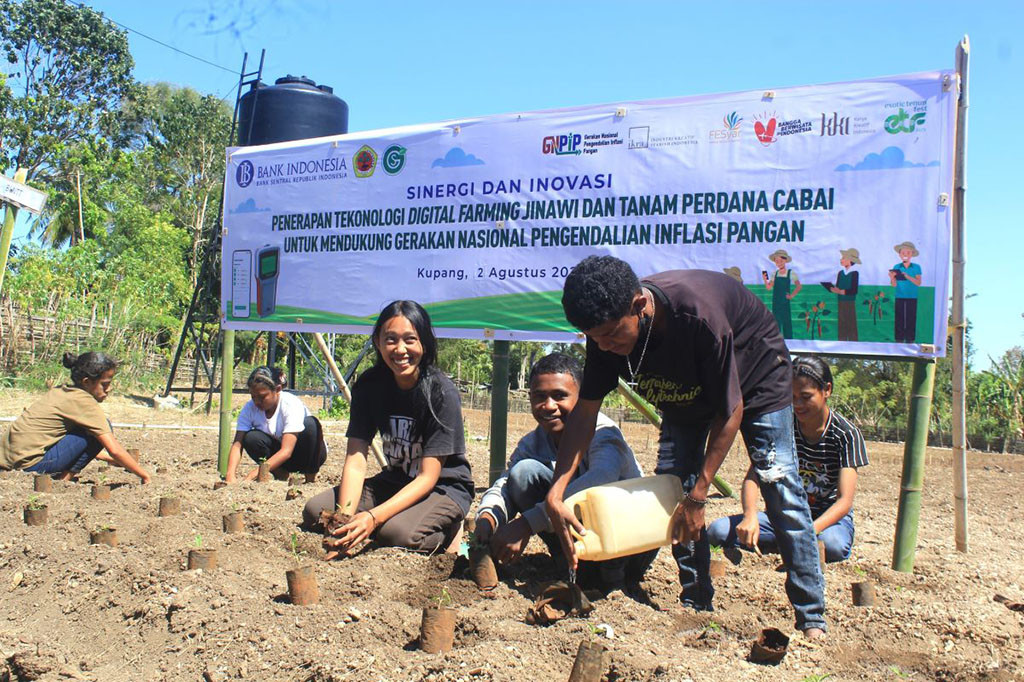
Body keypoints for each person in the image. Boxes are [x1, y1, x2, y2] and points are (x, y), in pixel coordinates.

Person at [546, 256, 826, 637]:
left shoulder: (699, 316)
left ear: (639, 306)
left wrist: (700, 495)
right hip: (685, 386)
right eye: (594, 338)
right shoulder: (604, 335)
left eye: (612, 335)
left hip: (754, 372)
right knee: (673, 489)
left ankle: (811, 618)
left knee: (779, 485)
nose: (604, 346)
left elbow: (731, 410)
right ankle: (696, 602)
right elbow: (585, 414)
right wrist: (557, 490)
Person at [302, 300, 473, 557]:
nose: (400, 349)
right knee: (317, 511)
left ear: (424, 343)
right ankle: (383, 518)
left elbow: (428, 477)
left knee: (394, 534)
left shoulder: (441, 393)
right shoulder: (370, 385)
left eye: (410, 339)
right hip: (395, 480)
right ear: (378, 343)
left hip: (442, 488)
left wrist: (373, 517)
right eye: (390, 339)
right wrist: (344, 519)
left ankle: (449, 528)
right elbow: (356, 459)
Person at [473, 352, 656, 592]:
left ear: (583, 399)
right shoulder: (534, 442)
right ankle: (569, 561)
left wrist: (527, 524)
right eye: (539, 396)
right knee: (523, 473)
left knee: (600, 499)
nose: (549, 406)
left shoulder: (604, 434)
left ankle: (610, 575)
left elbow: (600, 481)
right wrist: (488, 517)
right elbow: (506, 484)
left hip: (625, 544)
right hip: (578, 538)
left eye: (559, 396)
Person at [707, 356, 868, 563]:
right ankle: (784, 543)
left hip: (827, 523)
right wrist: (750, 516)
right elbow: (753, 478)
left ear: (826, 390)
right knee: (717, 532)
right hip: (783, 516)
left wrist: (808, 532)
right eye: (792, 397)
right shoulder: (783, 427)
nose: (797, 404)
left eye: (805, 396)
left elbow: (844, 501)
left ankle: (789, 543)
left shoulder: (846, 435)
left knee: (833, 545)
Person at [0, 352, 151, 483]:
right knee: (103, 427)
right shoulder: (84, 402)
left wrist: (109, 460)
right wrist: (144, 475)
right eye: (104, 384)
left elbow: (67, 441)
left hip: (8, 462)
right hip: (30, 466)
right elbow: (114, 449)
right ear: (87, 382)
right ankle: (63, 480)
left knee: (89, 430)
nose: (109, 389)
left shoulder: (62, 391)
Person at [225, 366, 327, 483]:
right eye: (253, 397)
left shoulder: (290, 404)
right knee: (250, 438)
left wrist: (256, 473)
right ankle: (281, 474)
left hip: (306, 454)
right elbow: (238, 444)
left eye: (262, 397)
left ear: (277, 389)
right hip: (282, 460)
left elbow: (287, 451)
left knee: (310, 424)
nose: (257, 402)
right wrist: (230, 475)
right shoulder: (249, 408)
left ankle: (310, 477)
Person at [762, 249, 801, 338]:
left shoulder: (791, 273)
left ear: (785, 260)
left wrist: (792, 295)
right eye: (776, 261)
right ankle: (777, 340)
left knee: (787, 322)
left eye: (781, 260)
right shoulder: (774, 274)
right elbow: (769, 287)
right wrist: (765, 280)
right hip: (776, 302)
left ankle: (789, 340)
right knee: (776, 322)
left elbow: (798, 286)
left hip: (785, 302)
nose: (779, 262)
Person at [889, 241, 922, 343]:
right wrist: (892, 277)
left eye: (908, 253)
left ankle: (910, 339)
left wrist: (907, 276)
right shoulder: (896, 267)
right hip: (899, 295)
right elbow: (894, 284)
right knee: (899, 318)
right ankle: (899, 338)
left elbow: (918, 282)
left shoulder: (916, 267)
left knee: (911, 318)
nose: (905, 255)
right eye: (903, 253)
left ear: (912, 254)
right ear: (899, 254)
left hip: (912, 296)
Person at [829, 248, 861, 342]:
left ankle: (853, 340)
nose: (841, 260)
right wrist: (833, 289)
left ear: (850, 260)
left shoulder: (854, 273)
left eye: (843, 258)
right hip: (840, 300)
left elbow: (854, 290)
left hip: (850, 301)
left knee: (851, 321)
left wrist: (841, 291)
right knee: (841, 321)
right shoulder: (840, 273)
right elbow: (838, 286)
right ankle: (841, 339)